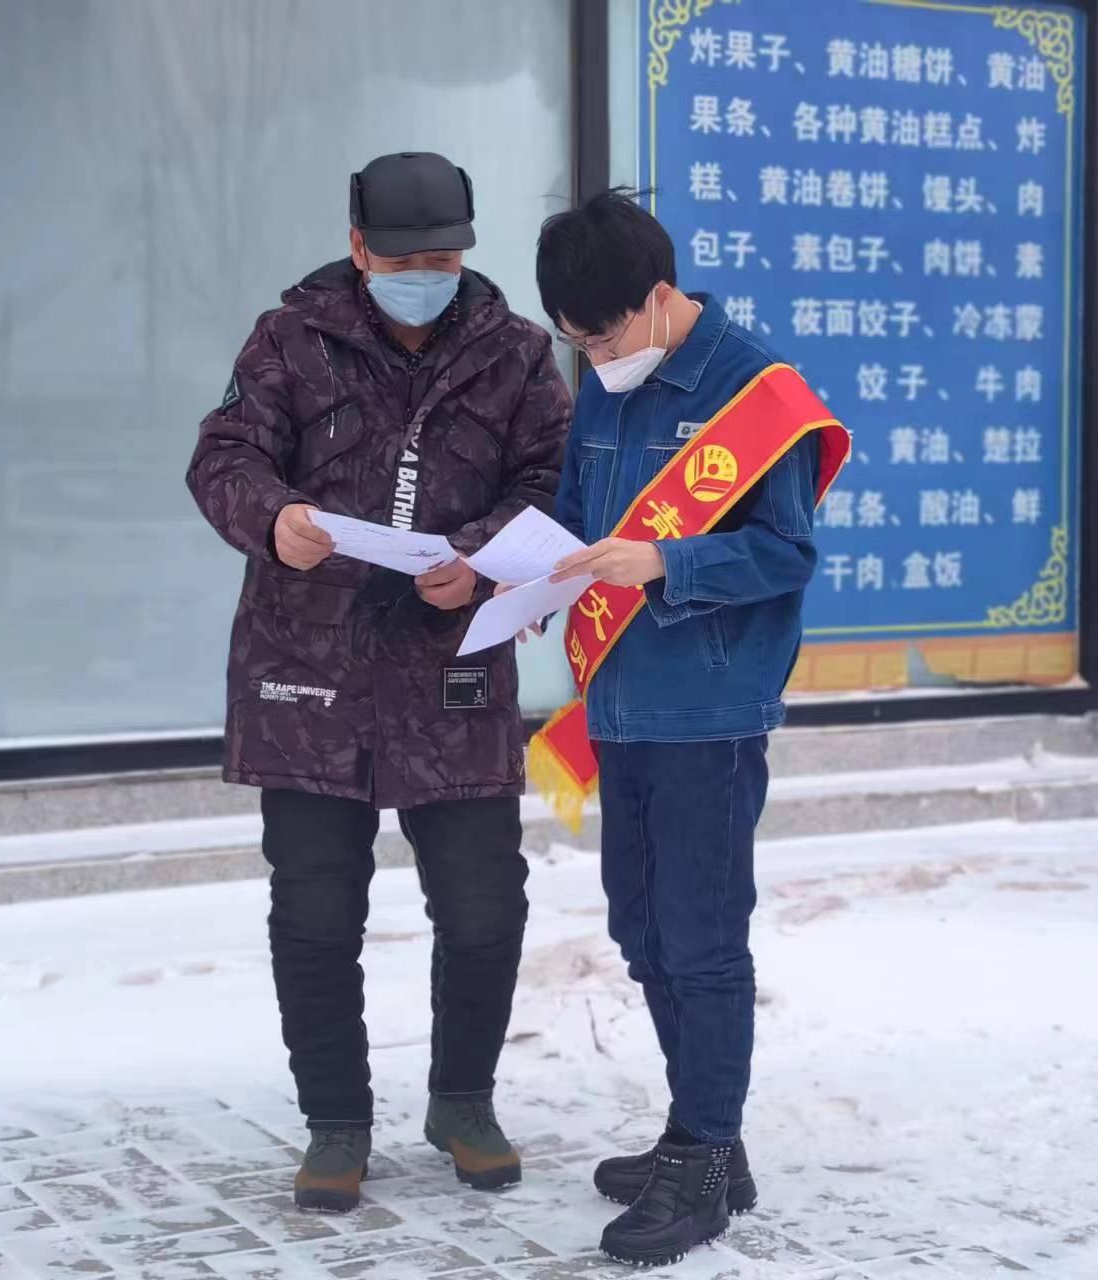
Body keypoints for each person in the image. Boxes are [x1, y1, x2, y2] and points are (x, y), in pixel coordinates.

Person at [186, 151, 571, 1213]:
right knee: (315, 914)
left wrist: (482, 558)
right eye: (403, 262)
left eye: (443, 260)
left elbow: (554, 478)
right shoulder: (289, 340)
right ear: (359, 249)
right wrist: (276, 519)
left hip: (453, 664)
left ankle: (463, 1102)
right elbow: (222, 458)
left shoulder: (514, 353)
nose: (424, 278)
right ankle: (335, 1123)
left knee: (485, 905)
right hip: (308, 669)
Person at [529, 191, 849, 1267]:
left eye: (603, 337)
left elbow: (786, 555)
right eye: (575, 343)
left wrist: (666, 561)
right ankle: (701, 1134)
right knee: (641, 930)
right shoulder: (605, 376)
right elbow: (577, 511)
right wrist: (529, 575)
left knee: (702, 939)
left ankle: (706, 1157)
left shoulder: (758, 395)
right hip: (619, 701)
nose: (594, 359)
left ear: (659, 298)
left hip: (708, 707)